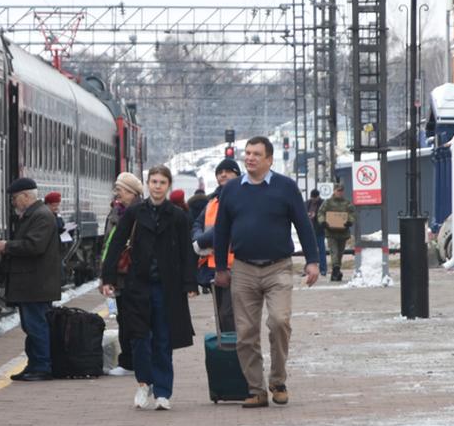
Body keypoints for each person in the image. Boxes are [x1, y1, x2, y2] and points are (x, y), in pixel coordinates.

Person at [213, 137, 320, 408]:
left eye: (256, 154)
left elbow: (304, 226)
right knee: (246, 332)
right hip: (244, 269)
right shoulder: (232, 190)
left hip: (278, 268)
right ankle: (256, 389)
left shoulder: (285, 188)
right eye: (247, 153)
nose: (250, 158)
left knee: (279, 321)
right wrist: (221, 268)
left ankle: (278, 380)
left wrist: (312, 261)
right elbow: (221, 231)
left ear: (269, 159)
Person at [100, 165, 198, 411]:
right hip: (138, 285)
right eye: (153, 182)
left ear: (168, 186)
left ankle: (163, 392)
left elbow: (187, 252)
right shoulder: (134, 213)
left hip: (168, 288)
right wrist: (108, 277)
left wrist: (190, 283)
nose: (157, 186)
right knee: (140, 339)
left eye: (162, 182)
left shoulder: (178, 217)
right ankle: (144, 383)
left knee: (163, 340)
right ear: (147, 185)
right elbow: (116, 245)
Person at [0, 177, 60, 382]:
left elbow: (34, 246)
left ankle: (42, 366)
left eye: (15, 198)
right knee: (31, 326)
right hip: (32, 283)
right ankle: (34, 364)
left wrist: (7, 246)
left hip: (36, 283)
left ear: (26, 196)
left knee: (36, 325)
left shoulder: (41, 216)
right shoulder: (34, 215)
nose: (13, 202)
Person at [191, 158, 241, 332]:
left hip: (236, 265)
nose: (223, 174)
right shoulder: (213, 201)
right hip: (214, 265)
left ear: (237, 174)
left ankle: (235, 351)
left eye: (228, 171)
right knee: (221, 313)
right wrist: (198, 238)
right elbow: (197, 223)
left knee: (229, 313)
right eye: (220, 172)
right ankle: (227, 351)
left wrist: (202, 241)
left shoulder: (241, 197)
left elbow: (225, 226)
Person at [102, 172, 143, 375]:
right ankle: (129, 360)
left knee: (130, 319)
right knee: (123, 317)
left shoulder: (134, 212)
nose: (117, 194)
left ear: (130, 192)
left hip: (129, 273)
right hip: (119, 272)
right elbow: (109, 243)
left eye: (120, 190)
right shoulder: (117, 211)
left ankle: (130, 362)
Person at [317, 183, 356, 282]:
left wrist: (349, 221)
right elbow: (321, 213)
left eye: (341, 191)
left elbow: (352, 213)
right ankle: (335, 271)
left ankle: (337, 270)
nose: (340, 193)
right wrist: (323, 222)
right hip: (331, 233)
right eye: (338, 190)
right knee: (334, 252)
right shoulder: (328, 202)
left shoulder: (346, 203)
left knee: (340, 253)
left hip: (343, 232)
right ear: (334, 191)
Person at [306, 188, 328, 276]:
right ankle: (308, 269)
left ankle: (323, 269)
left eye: (315, 198)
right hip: (309, 230)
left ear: (318, 197)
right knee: (309, 251)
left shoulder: (323, 203)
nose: (313, 199)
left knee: (321, 250)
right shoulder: (307, 203)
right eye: (312, 198)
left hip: (319, 230)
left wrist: (315, 216)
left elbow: (325, 214)